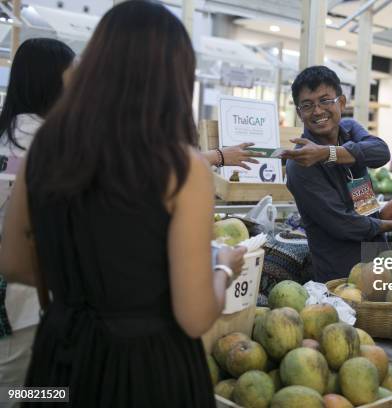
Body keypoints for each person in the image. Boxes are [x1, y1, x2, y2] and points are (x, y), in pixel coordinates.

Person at [0, 1, 245, 406]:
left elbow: (11, 262)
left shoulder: (45, 149)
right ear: (174, 77)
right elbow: (195, 315)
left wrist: (77, 280)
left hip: (61, 360)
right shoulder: (182, 169)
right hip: (151, 371)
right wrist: (221, 266)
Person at [282, 66, 392, 282]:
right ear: (299, 113)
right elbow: (343, 223)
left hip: (377, 260)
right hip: (341, 275)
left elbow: (381, 152)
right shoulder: (300, 165)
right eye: (307, 105)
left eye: (325, 100)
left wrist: (328, 153)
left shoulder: (349, 130)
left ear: (341, 103)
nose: (317, 111)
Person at [0, 38, 75, 394]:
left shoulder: (9, 133)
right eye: (70, 78)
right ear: (51, 83)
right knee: (20, 389)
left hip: (15, 297)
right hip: (22, 299)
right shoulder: (47, 142)